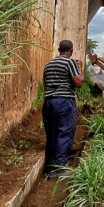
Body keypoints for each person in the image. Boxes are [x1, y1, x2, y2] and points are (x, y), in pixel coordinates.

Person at [42, 39, 84, 177]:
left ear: (59, 49)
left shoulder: (48, 65)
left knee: (52, 135)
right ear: (70, 50)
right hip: (64, 102)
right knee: (64, 133)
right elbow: (78, 83)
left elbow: (46, 86)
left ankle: (49, 166)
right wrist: (80, 69)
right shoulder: (69, 62)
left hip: (49, 102)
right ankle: (59, 168)